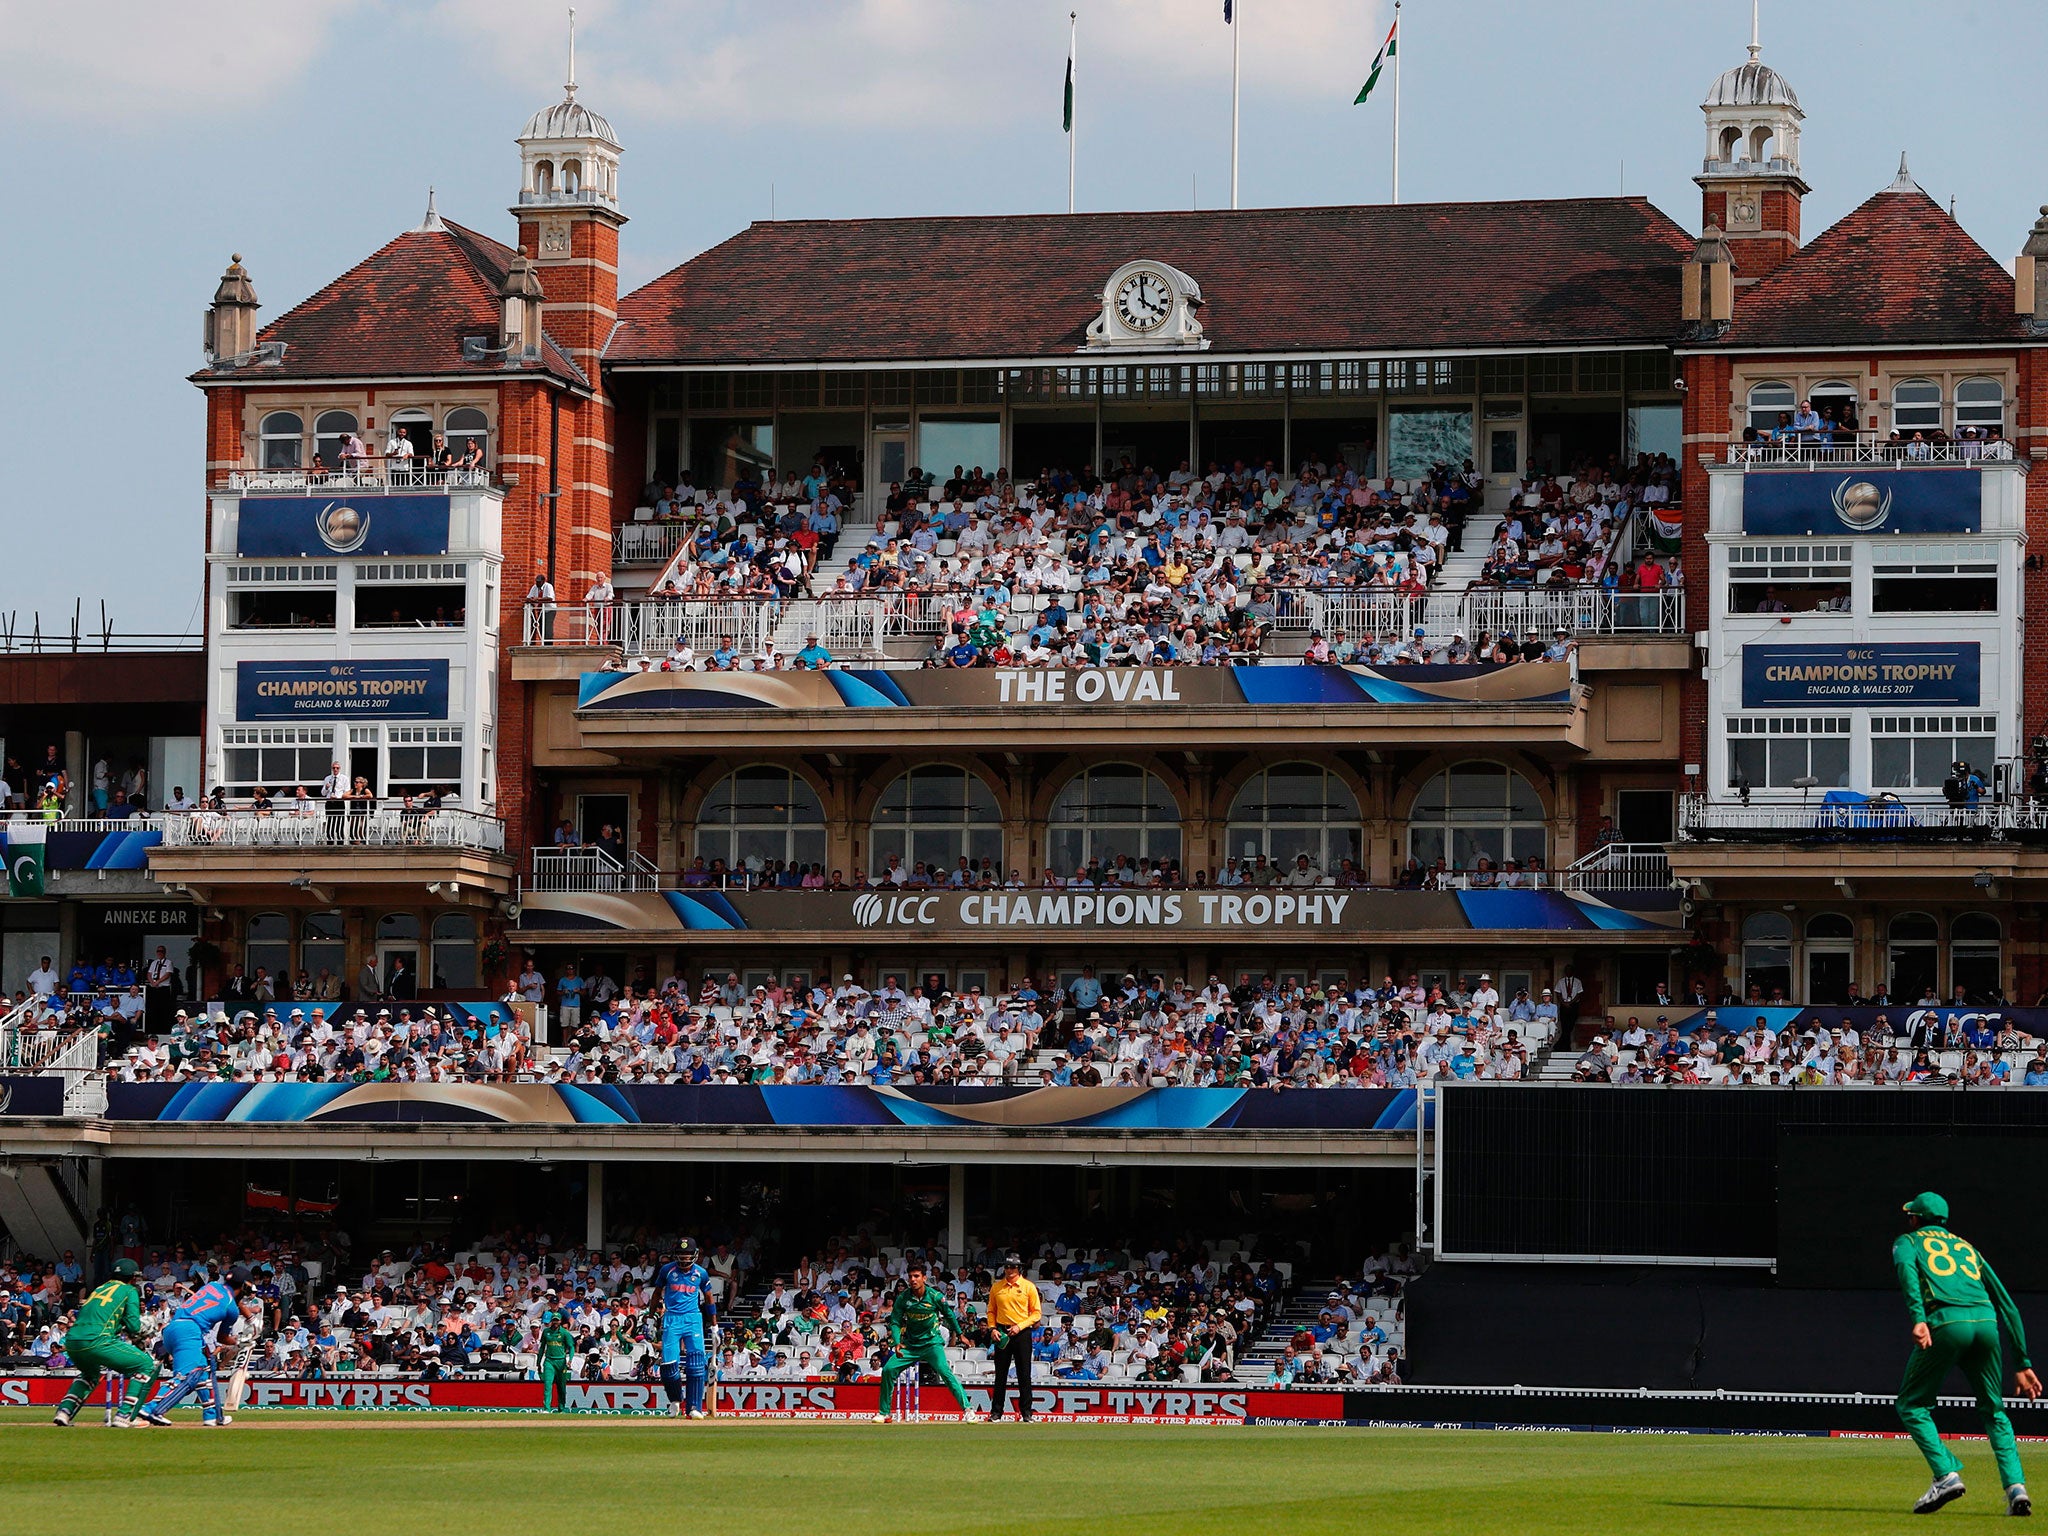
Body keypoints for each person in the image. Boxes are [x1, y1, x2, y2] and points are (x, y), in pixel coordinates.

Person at [1893, 1190, 2040, 1515]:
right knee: (1994, 1411)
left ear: (1915, 1219)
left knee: (1911, 1404)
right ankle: (2016, 1489)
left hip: (1946, 1322)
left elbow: (1908, 1276)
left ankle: (1945, 1475)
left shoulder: (1907, 1241)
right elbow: (2008, 1305)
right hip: (1986, 1323)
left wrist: (1919, 1319)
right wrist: (2022, 1362)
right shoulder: (1967, 1248)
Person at [51, 1258, 160, 1427]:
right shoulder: (129, 1290)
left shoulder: (100, 1288)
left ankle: (64, 1412)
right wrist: (144, 1327)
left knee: (90, 1374)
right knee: (146, 1364)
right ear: (132, 1277)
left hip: (73, 1340)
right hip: (98, 1340)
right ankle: (124, 1415)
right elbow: (133, 1325)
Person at [140, 1275, 257, 1426]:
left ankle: (212, 1415)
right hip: (189, 1331)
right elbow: (222, 1337)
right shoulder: (231, 1308)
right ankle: (152, 1408)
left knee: (203, 1372)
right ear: (243, 1288)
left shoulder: (212, 1286)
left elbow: (226, 1300)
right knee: (188, 1376)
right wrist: (241, 1341)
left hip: (172, 1329)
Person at [873, 1260, 974, 1422]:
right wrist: (897, 1341)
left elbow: (949, 1315)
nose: (913, 1280)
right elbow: (896, 1321)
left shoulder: (935, 1296)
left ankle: (968, 1409)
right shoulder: (903, 1298)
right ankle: (885, 1413)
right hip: (910, 1345)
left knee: (945, 1373)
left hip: (932, 1344)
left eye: (916, 1276)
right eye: (910, 1277)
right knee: (888, 1370)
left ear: (924, 1278)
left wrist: (961, 1334)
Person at [654, 1238, 717, 1419]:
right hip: (672, 1318)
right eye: (681, 1254)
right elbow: (657, 1293)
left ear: (695, 1254)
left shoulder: (701, 1273)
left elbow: (709, 1298)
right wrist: (651, 1317)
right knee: (668, 1365)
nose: (684, 1258)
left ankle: (694, 1408)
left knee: (696, 1364)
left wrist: (714, 1325)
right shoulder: (667, 1270)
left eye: (687, 1254)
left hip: (693, 1318)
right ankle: (675, 1401)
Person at [986, 1251, 1042, 1422]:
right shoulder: (996, 1287)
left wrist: (1020, 1326)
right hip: (1002, 1332)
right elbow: (991, 1311)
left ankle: (1026, 1413)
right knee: (1000, 1374)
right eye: (1007, 1266)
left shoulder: (1028, 1287)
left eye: (1013, 1267)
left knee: (1024, 1373)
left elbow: (1036, 1314)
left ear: (1019, 1268)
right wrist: (992, 1328)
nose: (1009, 1269)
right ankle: (996, 1412)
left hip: (1022, 1332)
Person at [537, 1310, 573, 1412]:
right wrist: (538, 1362)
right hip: (549, 1361)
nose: (555, 1322)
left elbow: (571, 1347)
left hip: (561, 1362)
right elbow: (542, 1347)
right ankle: (546, 1409)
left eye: (557, 1320)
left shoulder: (564, 1333)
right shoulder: (546, 1332)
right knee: (547, 1385)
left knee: (561, 1387)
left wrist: (570, 1359)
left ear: (560, 1321)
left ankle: (561, 1408)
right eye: (554, 1320)